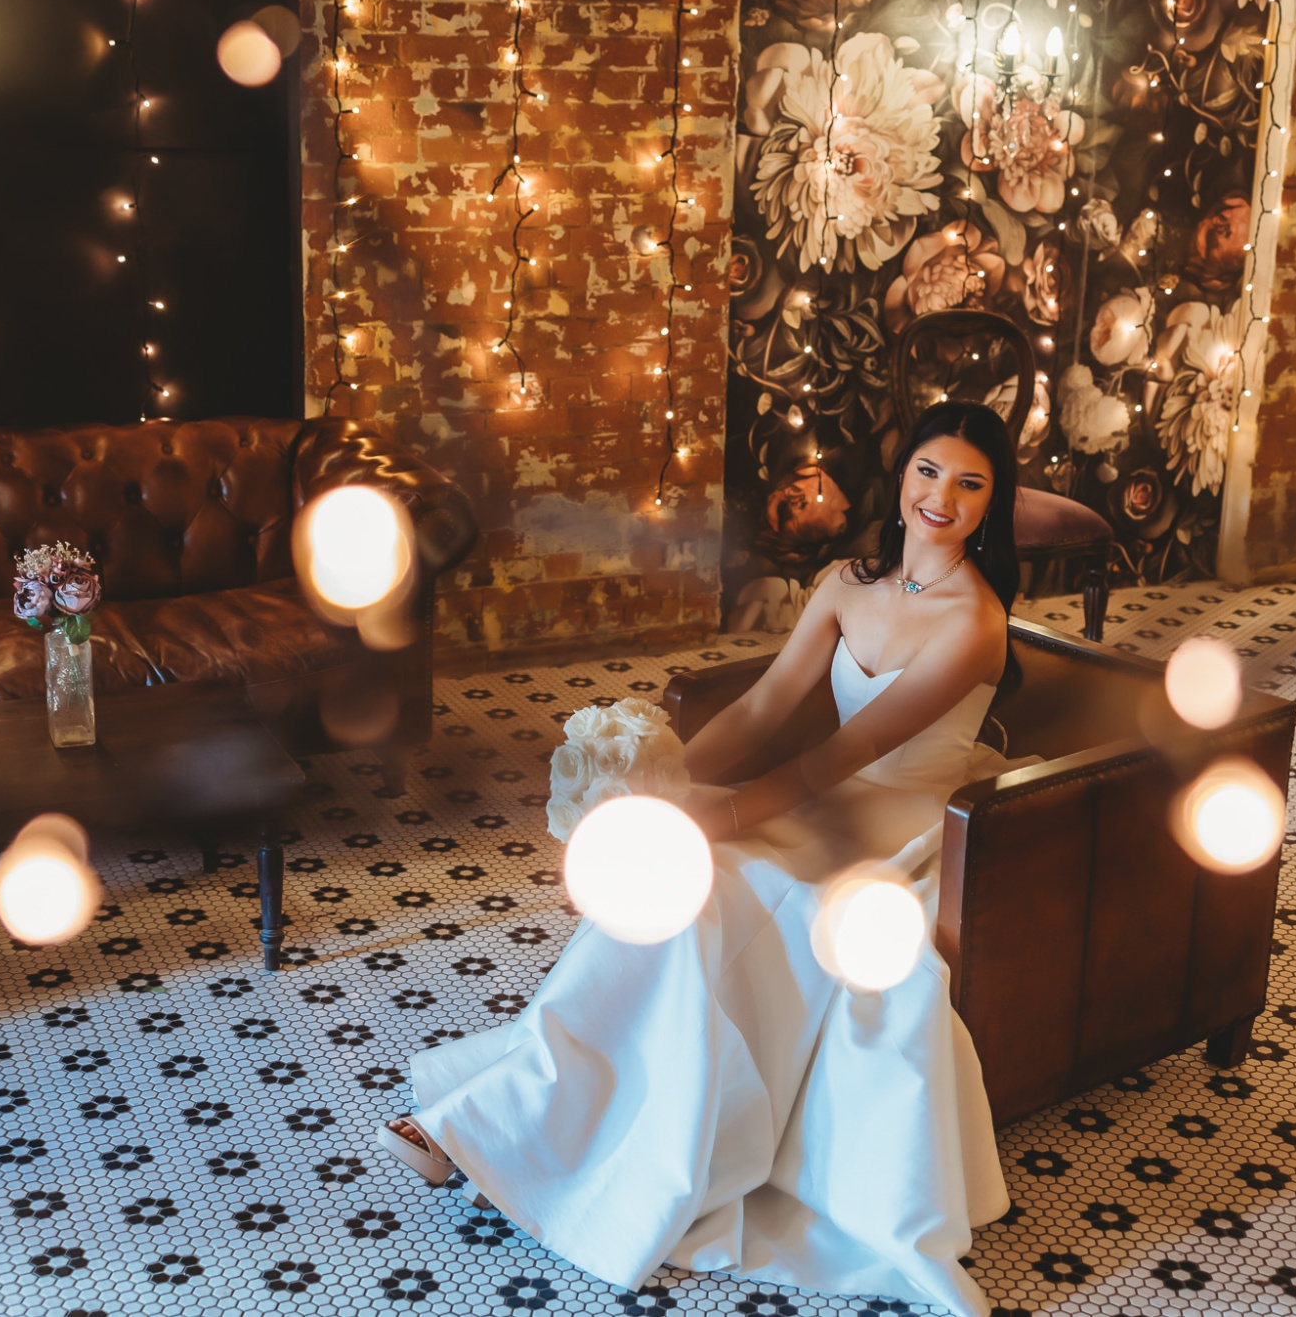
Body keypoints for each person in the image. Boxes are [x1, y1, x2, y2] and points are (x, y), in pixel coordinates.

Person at [379, 402, 1022, 1317]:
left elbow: (835, 759)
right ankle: (507, 1114)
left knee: (724, 878)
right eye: (929, 471)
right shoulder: (847, 582)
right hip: (822, 803)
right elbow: (763, 712)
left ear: (992, 504)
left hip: (901, 822)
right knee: (674, 885)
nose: (941, 497)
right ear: (902, 476)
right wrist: (658, 775)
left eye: (969, 484)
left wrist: (710, 814)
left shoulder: (974, 624)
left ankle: (585, 1133)